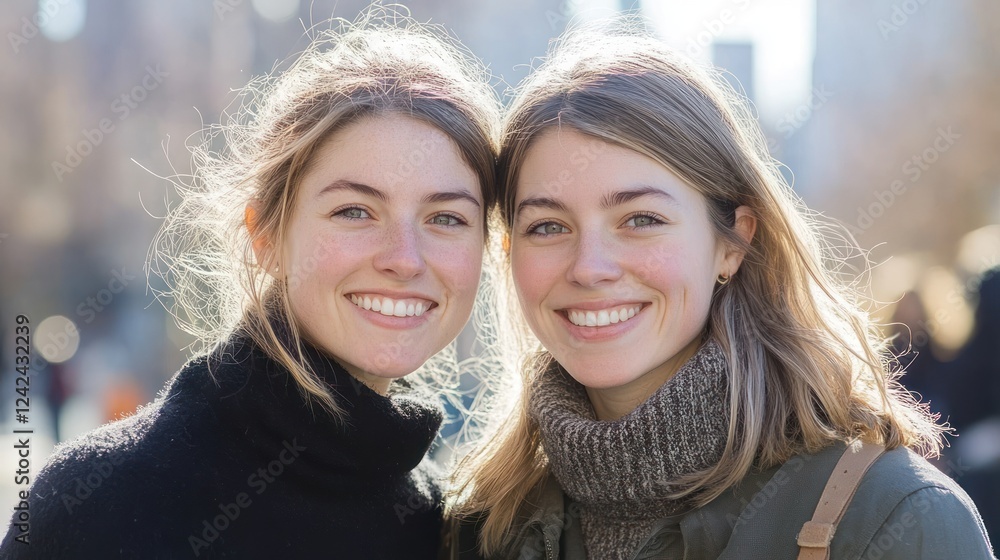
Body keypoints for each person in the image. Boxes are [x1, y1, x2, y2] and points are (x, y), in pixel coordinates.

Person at [446, 19, 995, 560]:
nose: (589, 268)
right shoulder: (480, 527)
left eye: (641, 219)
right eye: (548, 226)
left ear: (733, 242)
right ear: (508, 252)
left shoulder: (896, 518)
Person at [0, 10, 500, 559]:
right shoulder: (100, 506)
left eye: (446, 218)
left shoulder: (453, 529)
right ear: (265, 236)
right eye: (355, 211)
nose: (404, 258)